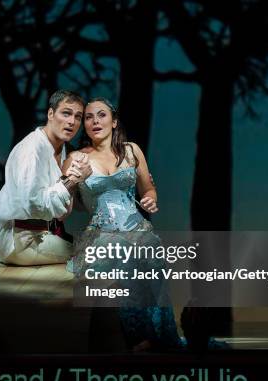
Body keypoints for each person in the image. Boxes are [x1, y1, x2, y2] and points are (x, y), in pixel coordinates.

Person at [64, 97, 182, 351]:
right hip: (101, 234)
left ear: (114, 121)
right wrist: (72, 180)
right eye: (88, 117)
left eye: (101, 115)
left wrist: (150, 199)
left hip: (137, 229)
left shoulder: (131, 150)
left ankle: (153, 337)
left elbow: (148, 189)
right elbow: (63, 206)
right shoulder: (76, 157)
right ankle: (134, 340)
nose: (95, 121)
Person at [0, 89, 92, 265]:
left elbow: (61, 213)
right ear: (50, 114)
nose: (72, 122)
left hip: (43, 235)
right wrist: (72, 180)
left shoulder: (62, 150)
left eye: (77, 117)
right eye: (66, 113)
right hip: (19, 241)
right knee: (94, 259)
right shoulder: (32, 150)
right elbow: (34, 204)